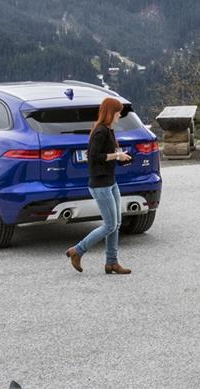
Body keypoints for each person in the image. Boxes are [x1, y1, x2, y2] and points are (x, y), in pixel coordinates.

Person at [66, 97, 133, 274]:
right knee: (110, 225)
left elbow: (107, 154)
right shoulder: (100, 131)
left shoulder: (109, 131)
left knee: (116, 223)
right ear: (110, 112)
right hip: (100, 184)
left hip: (110, 182)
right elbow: (93, 156)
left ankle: (111, 262)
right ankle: (77, 250)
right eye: (118, 111)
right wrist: (116, 156)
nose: (120, 114)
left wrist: (120, 157)